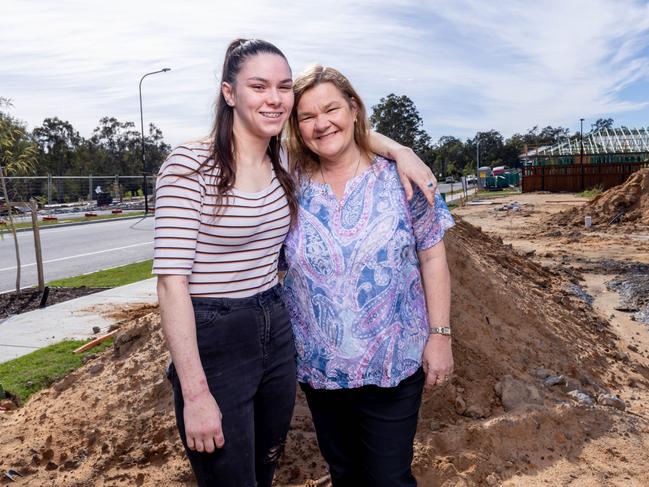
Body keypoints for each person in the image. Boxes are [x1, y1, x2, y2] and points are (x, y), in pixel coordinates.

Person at [153, 39, 439, 487]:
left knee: (265, 468)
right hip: (216, 330)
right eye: (259, 85)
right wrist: (195, 392)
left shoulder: (283, 162)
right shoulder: (189, 165)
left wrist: (400, 150)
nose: (274, 97)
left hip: (277, 330)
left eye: (283, 86)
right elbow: (171, 285)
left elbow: (341, 132)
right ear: (229, 93)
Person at [282, 65, 455, 487]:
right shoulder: (288, 183)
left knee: (388, 478)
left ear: (354, 108)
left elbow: (433, 257)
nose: (322, 123)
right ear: (296, 127)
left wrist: (441, 335)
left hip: (393, 362)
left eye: (331, 109)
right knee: (344, 474)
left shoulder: (402, 178)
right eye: (307, 116)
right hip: (321, 368)